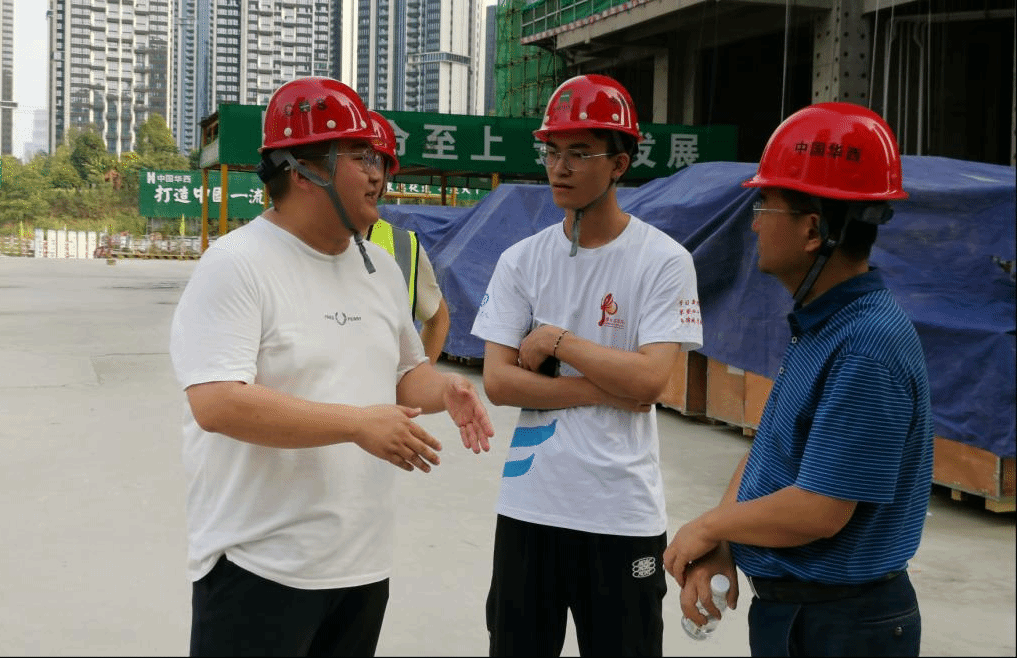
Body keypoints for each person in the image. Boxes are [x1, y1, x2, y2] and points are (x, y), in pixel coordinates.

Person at [169, 76, 494, 657]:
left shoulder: (380, 267)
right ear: (302, 170)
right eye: (361, 157)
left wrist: (445, 389)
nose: (378, 174)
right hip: (259, 566)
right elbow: (216, 402)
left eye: (379, 159)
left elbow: (405, 375)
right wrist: (356, 423)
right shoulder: (237, 264)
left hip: (361, 567)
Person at [662, 102, 934, 657]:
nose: (755, 223)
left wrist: (709, 527)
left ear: (813, 230)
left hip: (845, 628)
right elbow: (770, 453)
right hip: (802, 614)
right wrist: (727, 539)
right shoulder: (823, 324)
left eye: (765, 205)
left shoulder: (865, 346)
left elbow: (820, 509)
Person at [471, 74, 704, 656]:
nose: (560, 167)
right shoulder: (521, 261)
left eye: (579, 153)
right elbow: (498, 382)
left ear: (620, 163)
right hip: (530, 505)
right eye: (552, 152)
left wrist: (557, 341)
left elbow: (652, 379)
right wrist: (601, 390)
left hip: (620, 513)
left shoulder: (663, 261)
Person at [366, 109, 451, 363]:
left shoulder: (404, 246)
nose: (371, 175)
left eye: (377, 162)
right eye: (360, 160)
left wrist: (417, 377)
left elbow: (438, 319)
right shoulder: (300, 241)